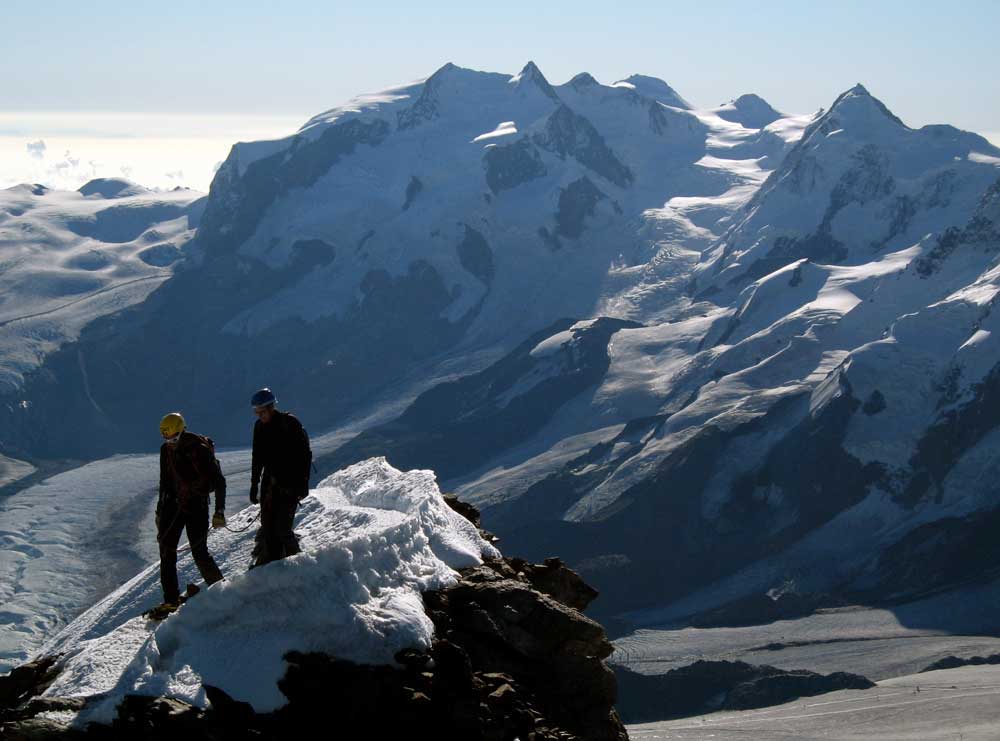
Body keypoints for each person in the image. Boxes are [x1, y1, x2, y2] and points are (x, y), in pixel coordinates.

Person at [153, 412, 227, 615]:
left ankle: (221, 592)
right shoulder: (165, 450)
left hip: (197, 505)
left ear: (181, 431)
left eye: (174, 438)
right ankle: (171, 601)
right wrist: (161, 510)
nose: (170, 443)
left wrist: (219, 511)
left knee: (199, 551)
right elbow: (165, 482)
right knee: (166, 549)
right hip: (174, 505)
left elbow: (219, 481)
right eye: (166, 439)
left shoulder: (198, 449)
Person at [248, 388, 312, 568]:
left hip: (290, 484)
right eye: (257, 412)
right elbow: (257, 457)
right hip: (270, 485)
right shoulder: (259, 427)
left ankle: (299, 565)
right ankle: (277, 566)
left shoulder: (289, 423)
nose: (260, 415)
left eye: (262, 412)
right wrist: (254, 484)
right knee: (268, 529)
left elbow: (304, 456)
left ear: (271, 407)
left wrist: (303, 484)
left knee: (283, 530)